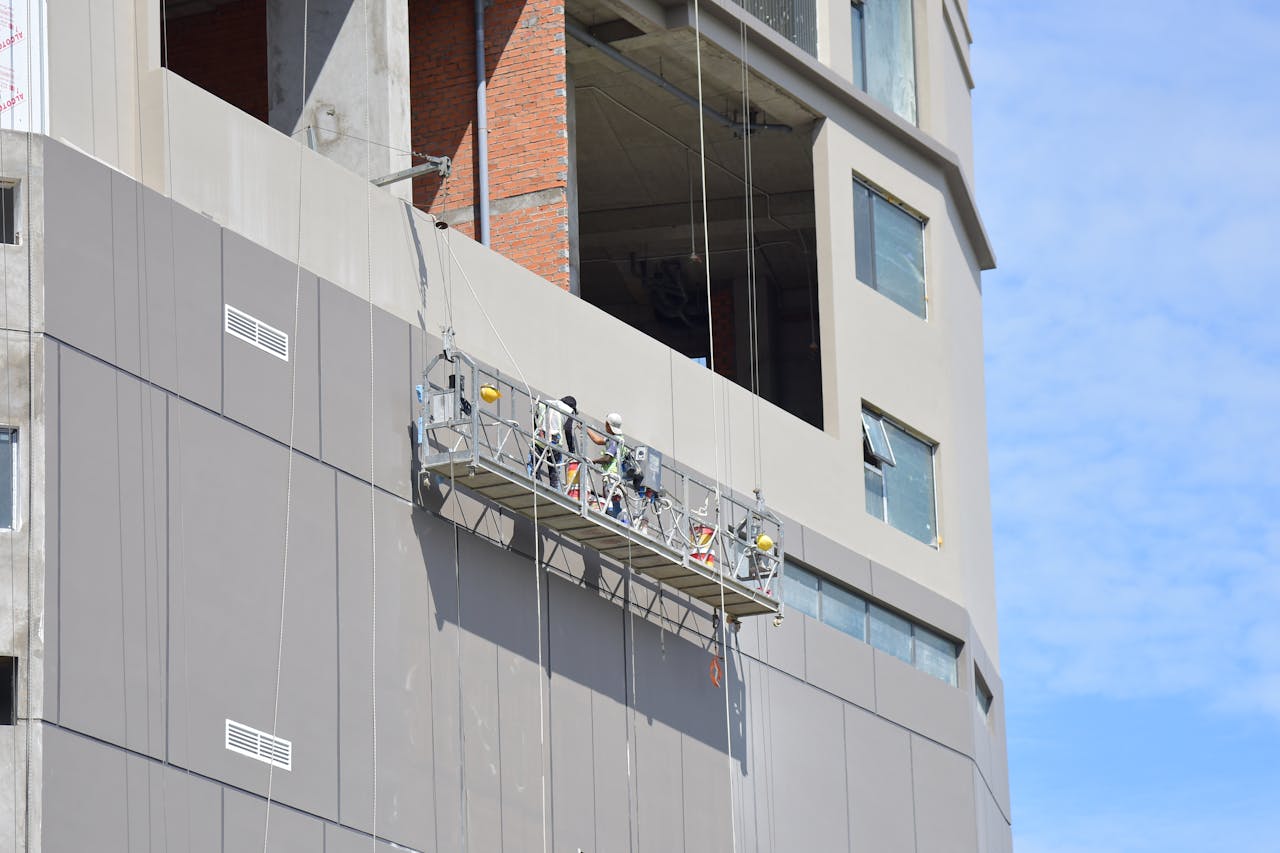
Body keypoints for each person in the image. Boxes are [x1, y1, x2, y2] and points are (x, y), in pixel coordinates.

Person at [530, 395, 577, 489]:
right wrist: (572, 450)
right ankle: (554, 490)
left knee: (533, 466)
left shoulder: (545, 403)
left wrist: (536, 433)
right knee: (554, 473)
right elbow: (568, 430)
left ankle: (533, 485)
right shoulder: (569, 410)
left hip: (539, 438)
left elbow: (536, 418)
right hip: (555, 443)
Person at [588, 412, 627, 518]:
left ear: (609, 426)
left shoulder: (614, 441)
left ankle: (615, 519)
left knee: (611, 503)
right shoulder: (618, 438)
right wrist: (586, 429)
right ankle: (617, 518)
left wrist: (594, 461)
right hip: (616, 476)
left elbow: (607, 458)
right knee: (612, 501)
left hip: (611, 476)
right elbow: (598, 440)